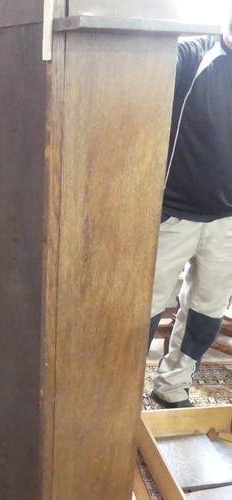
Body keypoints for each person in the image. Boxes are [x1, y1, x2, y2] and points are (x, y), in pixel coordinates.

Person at [147, 15, 232, 409]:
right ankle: (117, 391)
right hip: (173, 214)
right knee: (144, 307)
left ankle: (173, 385)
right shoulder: (190, 55)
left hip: (227, 222)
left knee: (207, 310)